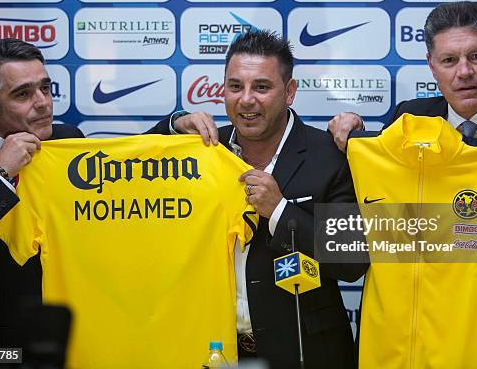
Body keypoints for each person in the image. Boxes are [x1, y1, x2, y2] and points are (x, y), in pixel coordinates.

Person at [328, 1, 477, 368]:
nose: (464, 72)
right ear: (431, 66)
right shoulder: (408, 119)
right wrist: (353, 138)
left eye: (476, 56)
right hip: (419, 336)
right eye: (449, 60)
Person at [148, 30, 364, 368]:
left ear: (289, 92)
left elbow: (352, 262)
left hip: (306, 353)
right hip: (213, 351)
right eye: (235, 87)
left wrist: (279, 210)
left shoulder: (330, 154)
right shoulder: (204, 150)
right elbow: (126, 167)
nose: (246, 99)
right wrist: (175, 124)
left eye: (261, 87)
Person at [0, 38, 83, 347]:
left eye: (46, 88)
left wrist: (173, 127)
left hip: (68, 336)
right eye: (23, 94)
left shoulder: (68, 140)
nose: (43, 102)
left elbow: (124, 166)